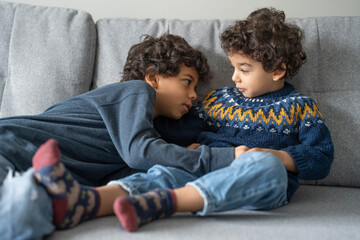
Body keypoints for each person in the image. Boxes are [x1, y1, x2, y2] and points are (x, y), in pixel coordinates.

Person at [104, 7, 332, 231]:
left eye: (244, 69)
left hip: (257, 180)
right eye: (233, 67)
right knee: (165, 173)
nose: (234, 77)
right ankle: (95, 200)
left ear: (277, 70)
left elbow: (321, 157)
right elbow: (178, 129)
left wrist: (281, 157)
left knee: (267, 167)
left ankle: (168, 202)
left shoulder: (301, 106)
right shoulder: (219, 99)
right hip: (206, 169)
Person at [0, 34, 241, 239]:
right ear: (153, 77)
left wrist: (179, 158)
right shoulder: (135, 91)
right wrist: (217, 158)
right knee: (18, 211)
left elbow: (127, 173)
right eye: (187, 83)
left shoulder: (136, 132)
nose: (193, 96)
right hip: (11, 144)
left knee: (29, 213)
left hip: (28, 171)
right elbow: (141, 153)